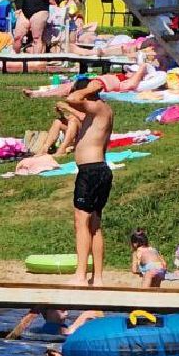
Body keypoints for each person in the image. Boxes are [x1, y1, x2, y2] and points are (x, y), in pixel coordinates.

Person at [59, 76, 114, 286]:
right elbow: (77, 109)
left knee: (81, 222)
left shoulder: (98, 107)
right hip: (99, 169)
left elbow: (73, 98)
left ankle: (81, 276)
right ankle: (97, 278)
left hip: (90, 171)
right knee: (94, 225)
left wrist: (88, 89)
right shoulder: (102, 110)